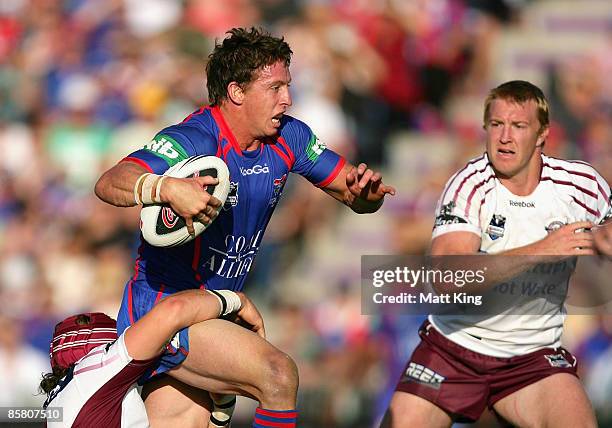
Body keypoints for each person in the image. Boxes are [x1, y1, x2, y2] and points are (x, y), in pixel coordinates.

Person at [94, 27, 395, 426]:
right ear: (236, 91)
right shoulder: (195, 138)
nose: (287, 99)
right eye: (275, 88)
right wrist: (166, 187)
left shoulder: (290, 136)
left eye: (288, 86)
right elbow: (110, 181)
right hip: (164, 310)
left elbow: (353, 193)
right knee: (278, 374)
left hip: (216, 313)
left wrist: (366, 196)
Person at [383, 80, 612, 427]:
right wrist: (542, 250)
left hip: (532, 358)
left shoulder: (581, 185)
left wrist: (605, 240)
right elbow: (447, 278)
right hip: (454, 349)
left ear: (542, 134)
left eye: (518, 126)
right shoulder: (468, 185)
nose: (505, 137)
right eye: (496, 125)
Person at [41, 289, 265, 427]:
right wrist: (236, 300)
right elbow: (174, 310)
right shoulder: (95, 373)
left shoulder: (62, 403)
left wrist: (219, 419)